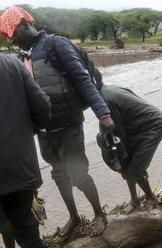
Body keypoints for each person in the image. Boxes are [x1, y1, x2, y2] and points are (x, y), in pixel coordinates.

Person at [0, 6, 115, 237]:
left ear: (24, 24)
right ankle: (74, 216)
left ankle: (99, 214)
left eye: (13, 34)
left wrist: (103, 114)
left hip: (68, 125)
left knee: (78, 173)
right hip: (43, 130)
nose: (12, 41)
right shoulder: (23, 55)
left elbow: (82, 80)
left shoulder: (56, 44)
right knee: (59, 174)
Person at [0, 53, 50, 248]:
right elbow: (42, 105)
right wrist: (30, 131)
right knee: (29, 236)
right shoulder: (12, 63)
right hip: (19, 166)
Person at [97, 85, 162, 211]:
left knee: (135, 169)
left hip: (153, 125)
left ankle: (150, 198)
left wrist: (122, 159)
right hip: (139, 127)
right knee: (128, 165)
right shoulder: (107, 90)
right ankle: (134, 200)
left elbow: (119, 135)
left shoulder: (105, 101)